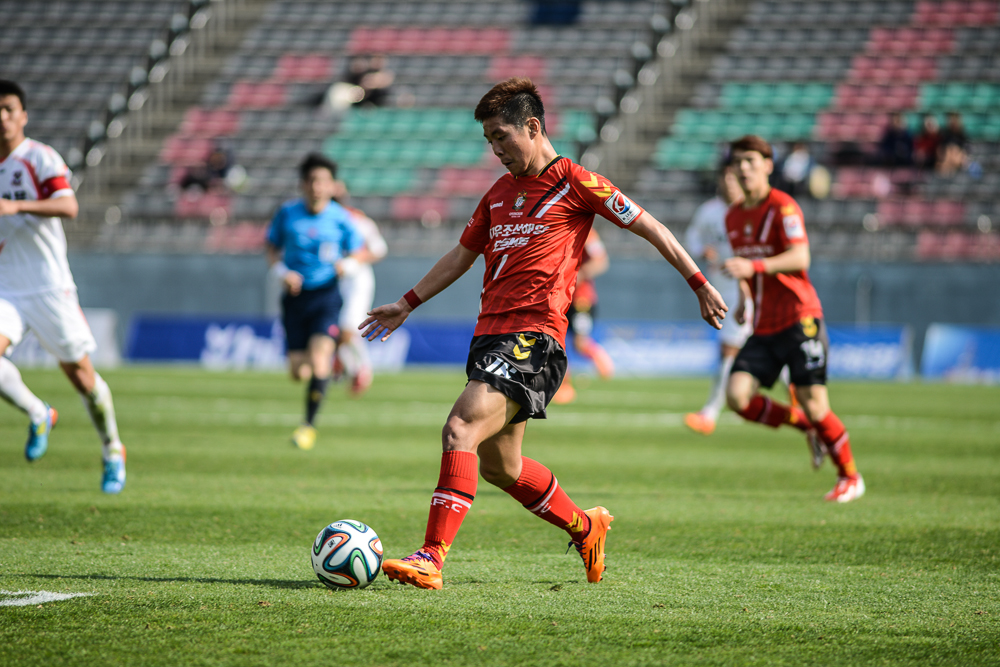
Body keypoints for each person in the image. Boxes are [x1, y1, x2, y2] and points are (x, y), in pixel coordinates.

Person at [360, 77, 727, 589]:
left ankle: (431, 556)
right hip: (490, 336)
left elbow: (651, 227)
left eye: (501, 136)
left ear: (532, 127)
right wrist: (406, 302)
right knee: (501, 467)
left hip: (534, 338)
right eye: (489, 140)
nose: (495, 149)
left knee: (459, 428)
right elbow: (461, 257)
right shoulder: (497, 193)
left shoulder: (576, 181)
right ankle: (586, 527)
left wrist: (700, 284)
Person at [722, 134, 864, 503]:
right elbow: (744, 268)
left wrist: (754, 267)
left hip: (801, 318)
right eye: (738, 162)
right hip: (764, 324)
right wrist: (744, 297)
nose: (744, 168)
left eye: (751, 161)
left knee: (815, 402)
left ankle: (850, 476)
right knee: (737, 396)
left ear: (768, 166)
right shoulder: (733, 215)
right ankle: (806, 427)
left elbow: (801, 257)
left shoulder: (783, 207)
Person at [0, 80, 125, 493]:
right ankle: (39, 413)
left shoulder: (39, 157)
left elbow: (68, 205)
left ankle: (112, 449)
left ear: (23, 115)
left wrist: (17, 205)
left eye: (9, 109)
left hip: (48, 286)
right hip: (5, 287)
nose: (2, 117)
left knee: (82, 378)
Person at [266, 153, 364, 450]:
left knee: (320, 357)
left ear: (332, 185)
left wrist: (347, 265)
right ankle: (323, 368)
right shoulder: (287, 213)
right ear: (303, 184)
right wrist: (282, 272)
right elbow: (271, 246)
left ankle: (307, 427)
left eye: (322, 181)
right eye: (311, 180)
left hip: (326, 296)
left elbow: (360, 250)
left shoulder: (341, 217)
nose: (316, 186)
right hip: (295, 299)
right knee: (299, 372)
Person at [683, 163, 753, 435]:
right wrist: (702, 250)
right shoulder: (709, 211)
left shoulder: (750, 211)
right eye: (726, 178)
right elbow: (692, 236)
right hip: (719, 288)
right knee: (761, 346)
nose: (730, 183)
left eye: (734, 178)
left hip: (745, 290)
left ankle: (710, 413)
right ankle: (794, 390)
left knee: (729, 350)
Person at [331, 182, 387, 396]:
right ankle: (351, 367)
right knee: (337, 327)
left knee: (348, 327)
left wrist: (353, 261)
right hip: (333, 280)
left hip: (356, 279)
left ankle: (358, 368)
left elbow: (378, 249)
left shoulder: (357, 220)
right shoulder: (322, 220)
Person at [551, 227, 614, 405]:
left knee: (580, 343)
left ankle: (602, 361)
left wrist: (578, 275)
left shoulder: (587, 232)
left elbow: (601, 261)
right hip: (559, 297)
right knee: (556, 342)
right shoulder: (553, 227)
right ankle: (563, 384)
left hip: (581, 299)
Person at [937, 111, 969, 176]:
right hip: (947, 160)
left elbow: (965, 151)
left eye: (954, 120)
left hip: (957, 160)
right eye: (951, 120)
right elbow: (940, 150)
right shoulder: (945, 135)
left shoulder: (962, 136)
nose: (952, 123)